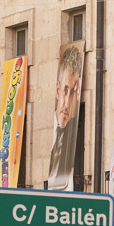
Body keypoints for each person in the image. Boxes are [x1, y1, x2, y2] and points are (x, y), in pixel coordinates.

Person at [47, 44, 82, 191]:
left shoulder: (73, 131)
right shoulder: (52, 133)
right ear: (57, 90)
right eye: (65, 91)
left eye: (72, 92)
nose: (67, 103)